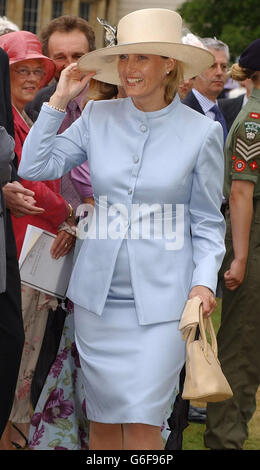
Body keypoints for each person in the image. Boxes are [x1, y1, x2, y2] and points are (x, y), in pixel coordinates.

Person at [19, 8, 225, 450]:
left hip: (164, 307)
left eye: (142, 59)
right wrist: (59, 100)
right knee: (105, 427)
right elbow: (33, 165)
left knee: (146, 427)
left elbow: (208, 221)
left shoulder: (202, 132)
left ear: (169, 63)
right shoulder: (96, 117)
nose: (130, 70)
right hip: (97, 305)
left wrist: (203, 284)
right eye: (125, 60)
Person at [0, 30, 75, 449]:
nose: (30, 77)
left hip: (36, 255)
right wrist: (70, 215)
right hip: (21, 255)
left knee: (26, 360)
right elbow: (29, 183)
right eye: (20, 69)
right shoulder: (9, 120)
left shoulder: (22, 115)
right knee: (18, 363)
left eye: (36, 70)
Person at [204, 38, 260, 450]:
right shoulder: (254, 120)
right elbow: (241, 193)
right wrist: (239, 258)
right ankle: (224, 440)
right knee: (241, 349)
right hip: (251, 239)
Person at [25, 15, 96, 213]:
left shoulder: (113, 100)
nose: (70, 65)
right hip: (55, 221)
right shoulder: (35, 103)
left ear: (92, 55)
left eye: (77, 56)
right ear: (47, 59)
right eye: (60, 57)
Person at [182, 37, 229, 143]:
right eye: (212, 66)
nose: (219, 72)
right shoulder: (183, 111)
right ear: (196, 68)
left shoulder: (225, 111)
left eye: (224, 66)